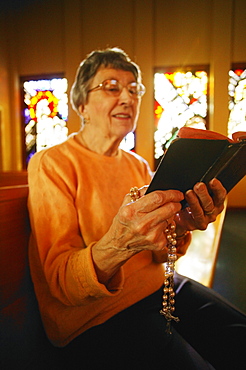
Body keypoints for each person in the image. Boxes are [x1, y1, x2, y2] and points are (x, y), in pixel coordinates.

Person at [28, 47, 246, 370]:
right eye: (111, 87)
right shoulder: (52, 163)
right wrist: (118, 243)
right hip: (96, 317)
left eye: (134, 89)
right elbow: (62, 282)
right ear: (81, 104)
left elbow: (159, 254)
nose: (128, 97)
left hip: (161, 289)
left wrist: (182, 224)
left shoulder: (139, 165)